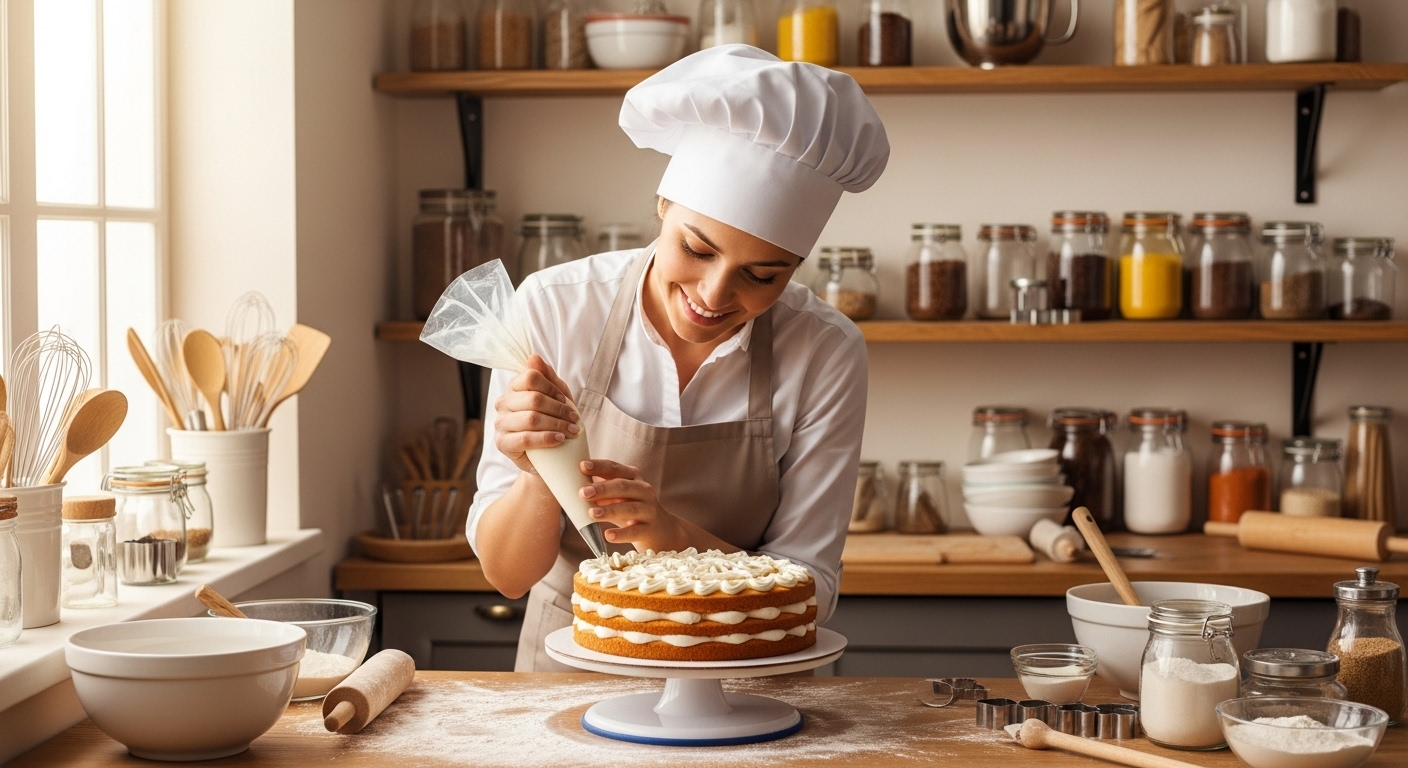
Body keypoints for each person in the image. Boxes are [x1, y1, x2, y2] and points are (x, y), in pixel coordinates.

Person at [465, 45, 890, 671]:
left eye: (762, 276)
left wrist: (669, 536)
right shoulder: (557, 309)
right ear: (663, 206)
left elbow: (812, 593)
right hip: (573, 671)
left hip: (753, 681)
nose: (715, 295)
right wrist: (536, 472)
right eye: (696, 249)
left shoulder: (824, 349)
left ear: (797, 268)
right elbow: (507, 575)